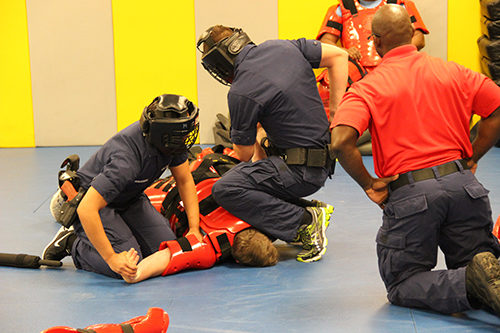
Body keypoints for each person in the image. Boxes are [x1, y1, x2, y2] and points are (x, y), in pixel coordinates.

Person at [330, 4, 500, 316]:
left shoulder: (367, 88)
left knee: (402, 283)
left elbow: (340, 142)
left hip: (412, 196)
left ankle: (468, 284)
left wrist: (369, 184)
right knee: (486, 270)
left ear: (376, 41)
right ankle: (477, 277)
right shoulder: (455, 71)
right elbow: (497, 108)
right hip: (465, 188)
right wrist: (473, 155)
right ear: (413, 33)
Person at [196, 25, 348, 263]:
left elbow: (244, 155)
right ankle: (308, 209)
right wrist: (338, 116)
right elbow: (340, 56)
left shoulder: (241, 90)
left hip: (301, 172)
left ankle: (304, 222)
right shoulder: (284, 46)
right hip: (324, 161)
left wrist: (254, 130)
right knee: (256, 166)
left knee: (226, 188)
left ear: (221, 60)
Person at [42, 94, 203, 280]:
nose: (186, 138)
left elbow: (184, 181)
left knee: (164, 249)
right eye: (182, 134)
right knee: (127, 267)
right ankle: (72, 244)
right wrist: (111, 258)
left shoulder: (170, 144)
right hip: (93, 203)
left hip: (129, 197)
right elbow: (87, 208)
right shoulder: (126, 161)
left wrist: (194, 228)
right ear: (165, 136)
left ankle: (117, 236)